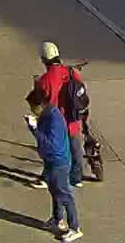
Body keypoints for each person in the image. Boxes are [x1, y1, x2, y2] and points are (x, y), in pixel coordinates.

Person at [27, 89, 82, 241]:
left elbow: (50, 144)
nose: (31, 110)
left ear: (40, 105)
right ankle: (58, 219)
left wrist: (34, 129)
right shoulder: (47, 115)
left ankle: (75, 227)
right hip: (51, 161)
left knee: (65, 195)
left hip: (59, 162)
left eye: (32, 107)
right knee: (55, 192)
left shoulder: (53, 119)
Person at [33, 42, 88, 186]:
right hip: (73, 118)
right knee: (76, 150)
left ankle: (47, 178)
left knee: (52, 152)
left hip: (56, 123)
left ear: (44, 60)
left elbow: (39, 103)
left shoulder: (45, 80)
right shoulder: (71, 72)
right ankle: (76, 178)